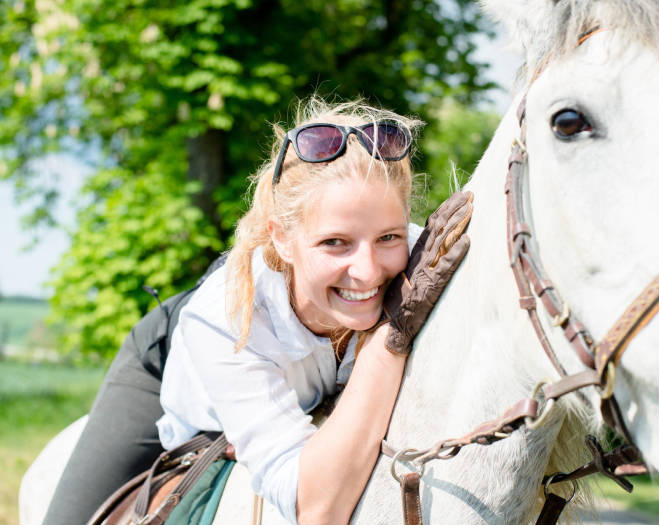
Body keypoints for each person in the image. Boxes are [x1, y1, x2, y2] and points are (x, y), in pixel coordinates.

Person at [43, 98, 471, 525]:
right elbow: (317, 509)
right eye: (334, 242)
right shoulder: (222, 319)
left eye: (388, 237)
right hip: (170, 362)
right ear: (282, 238)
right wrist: (389, 339)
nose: (368, 270)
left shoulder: (423, 261)